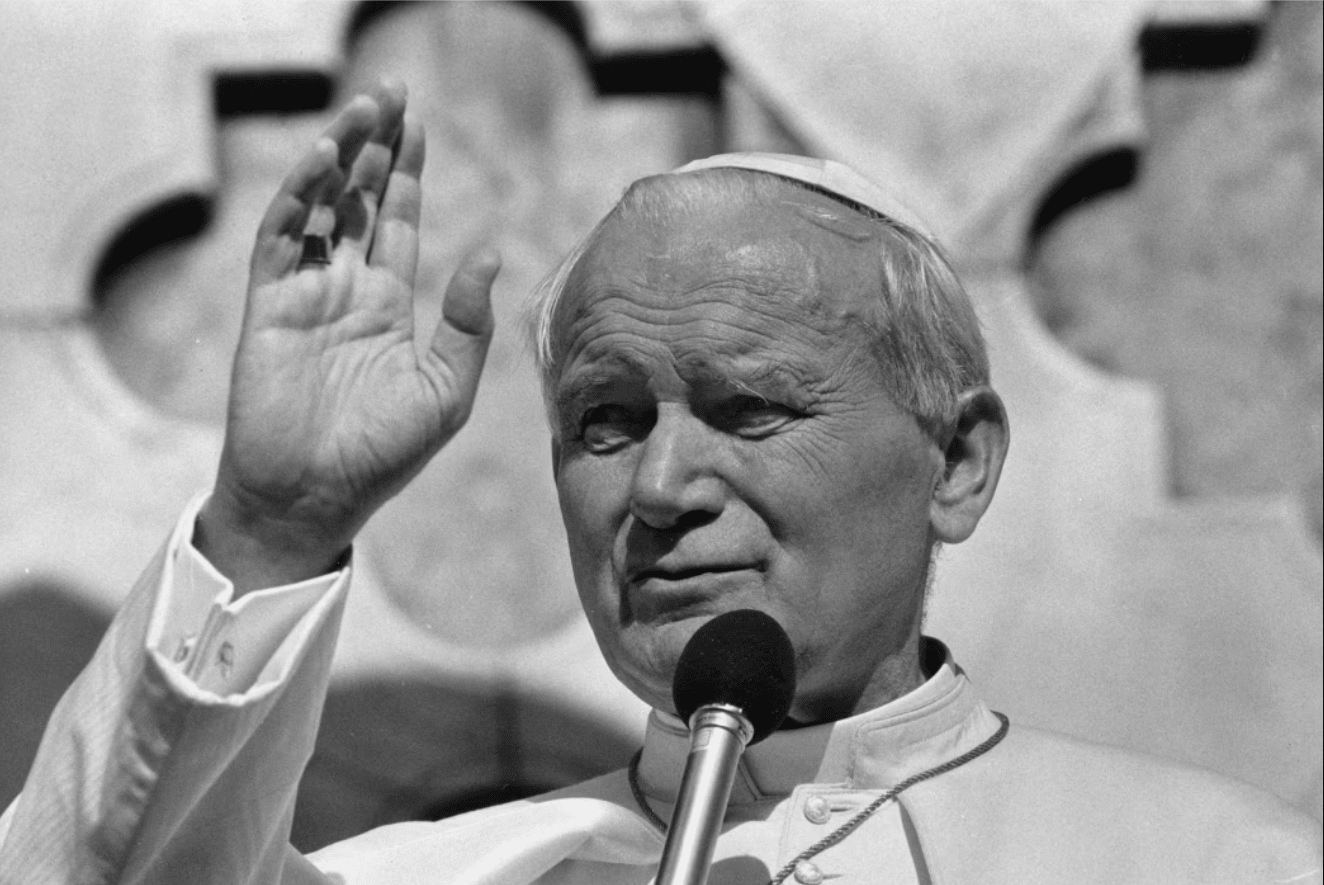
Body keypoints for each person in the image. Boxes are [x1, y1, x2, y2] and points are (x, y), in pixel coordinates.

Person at [1, 83, 1319, 885]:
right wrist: (273, 527)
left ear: (960, 463)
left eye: (750, 408)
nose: (665, 485)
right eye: (608, 421)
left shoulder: (1227, 862)